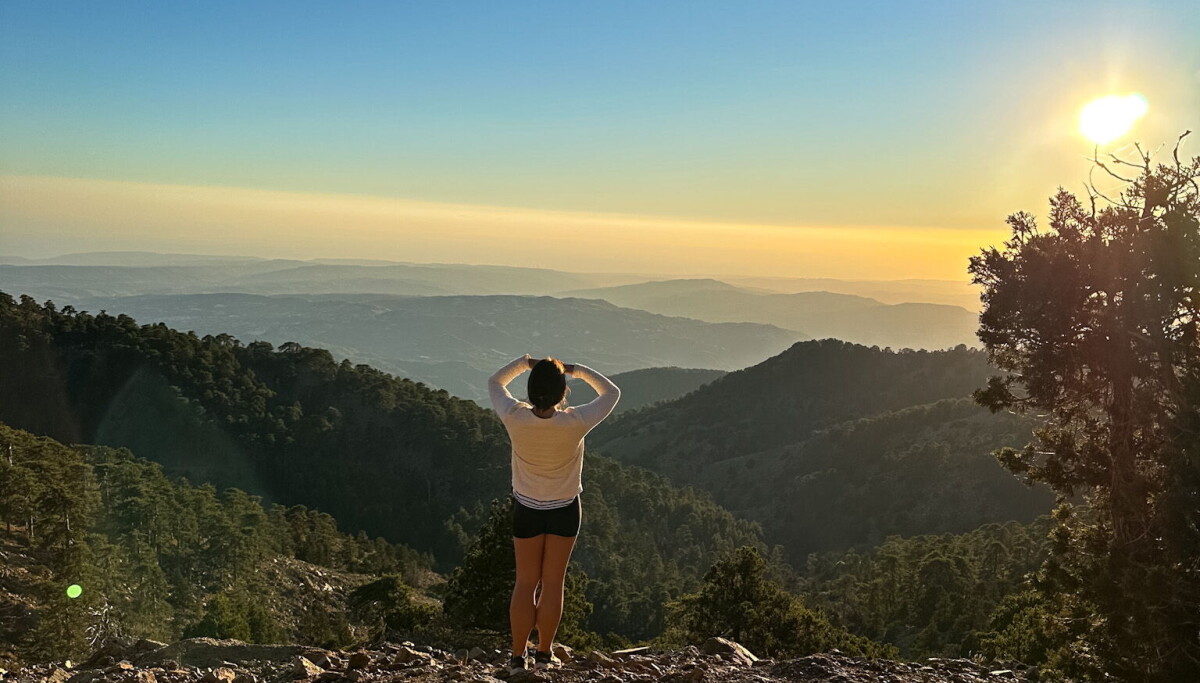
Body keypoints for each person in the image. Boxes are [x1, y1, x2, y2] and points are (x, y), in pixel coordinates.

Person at [487, 353, 620, 674]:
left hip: (526, 508)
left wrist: (525, 362)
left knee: (525, 583)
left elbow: (495, 382)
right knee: (553, 583)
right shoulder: (576, 421)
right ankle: (544, 655)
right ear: (562, 393)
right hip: (564, 509)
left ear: (531, 390)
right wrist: (574, 370)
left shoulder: (514, 416)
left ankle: (517, 659)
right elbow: (611, 392)